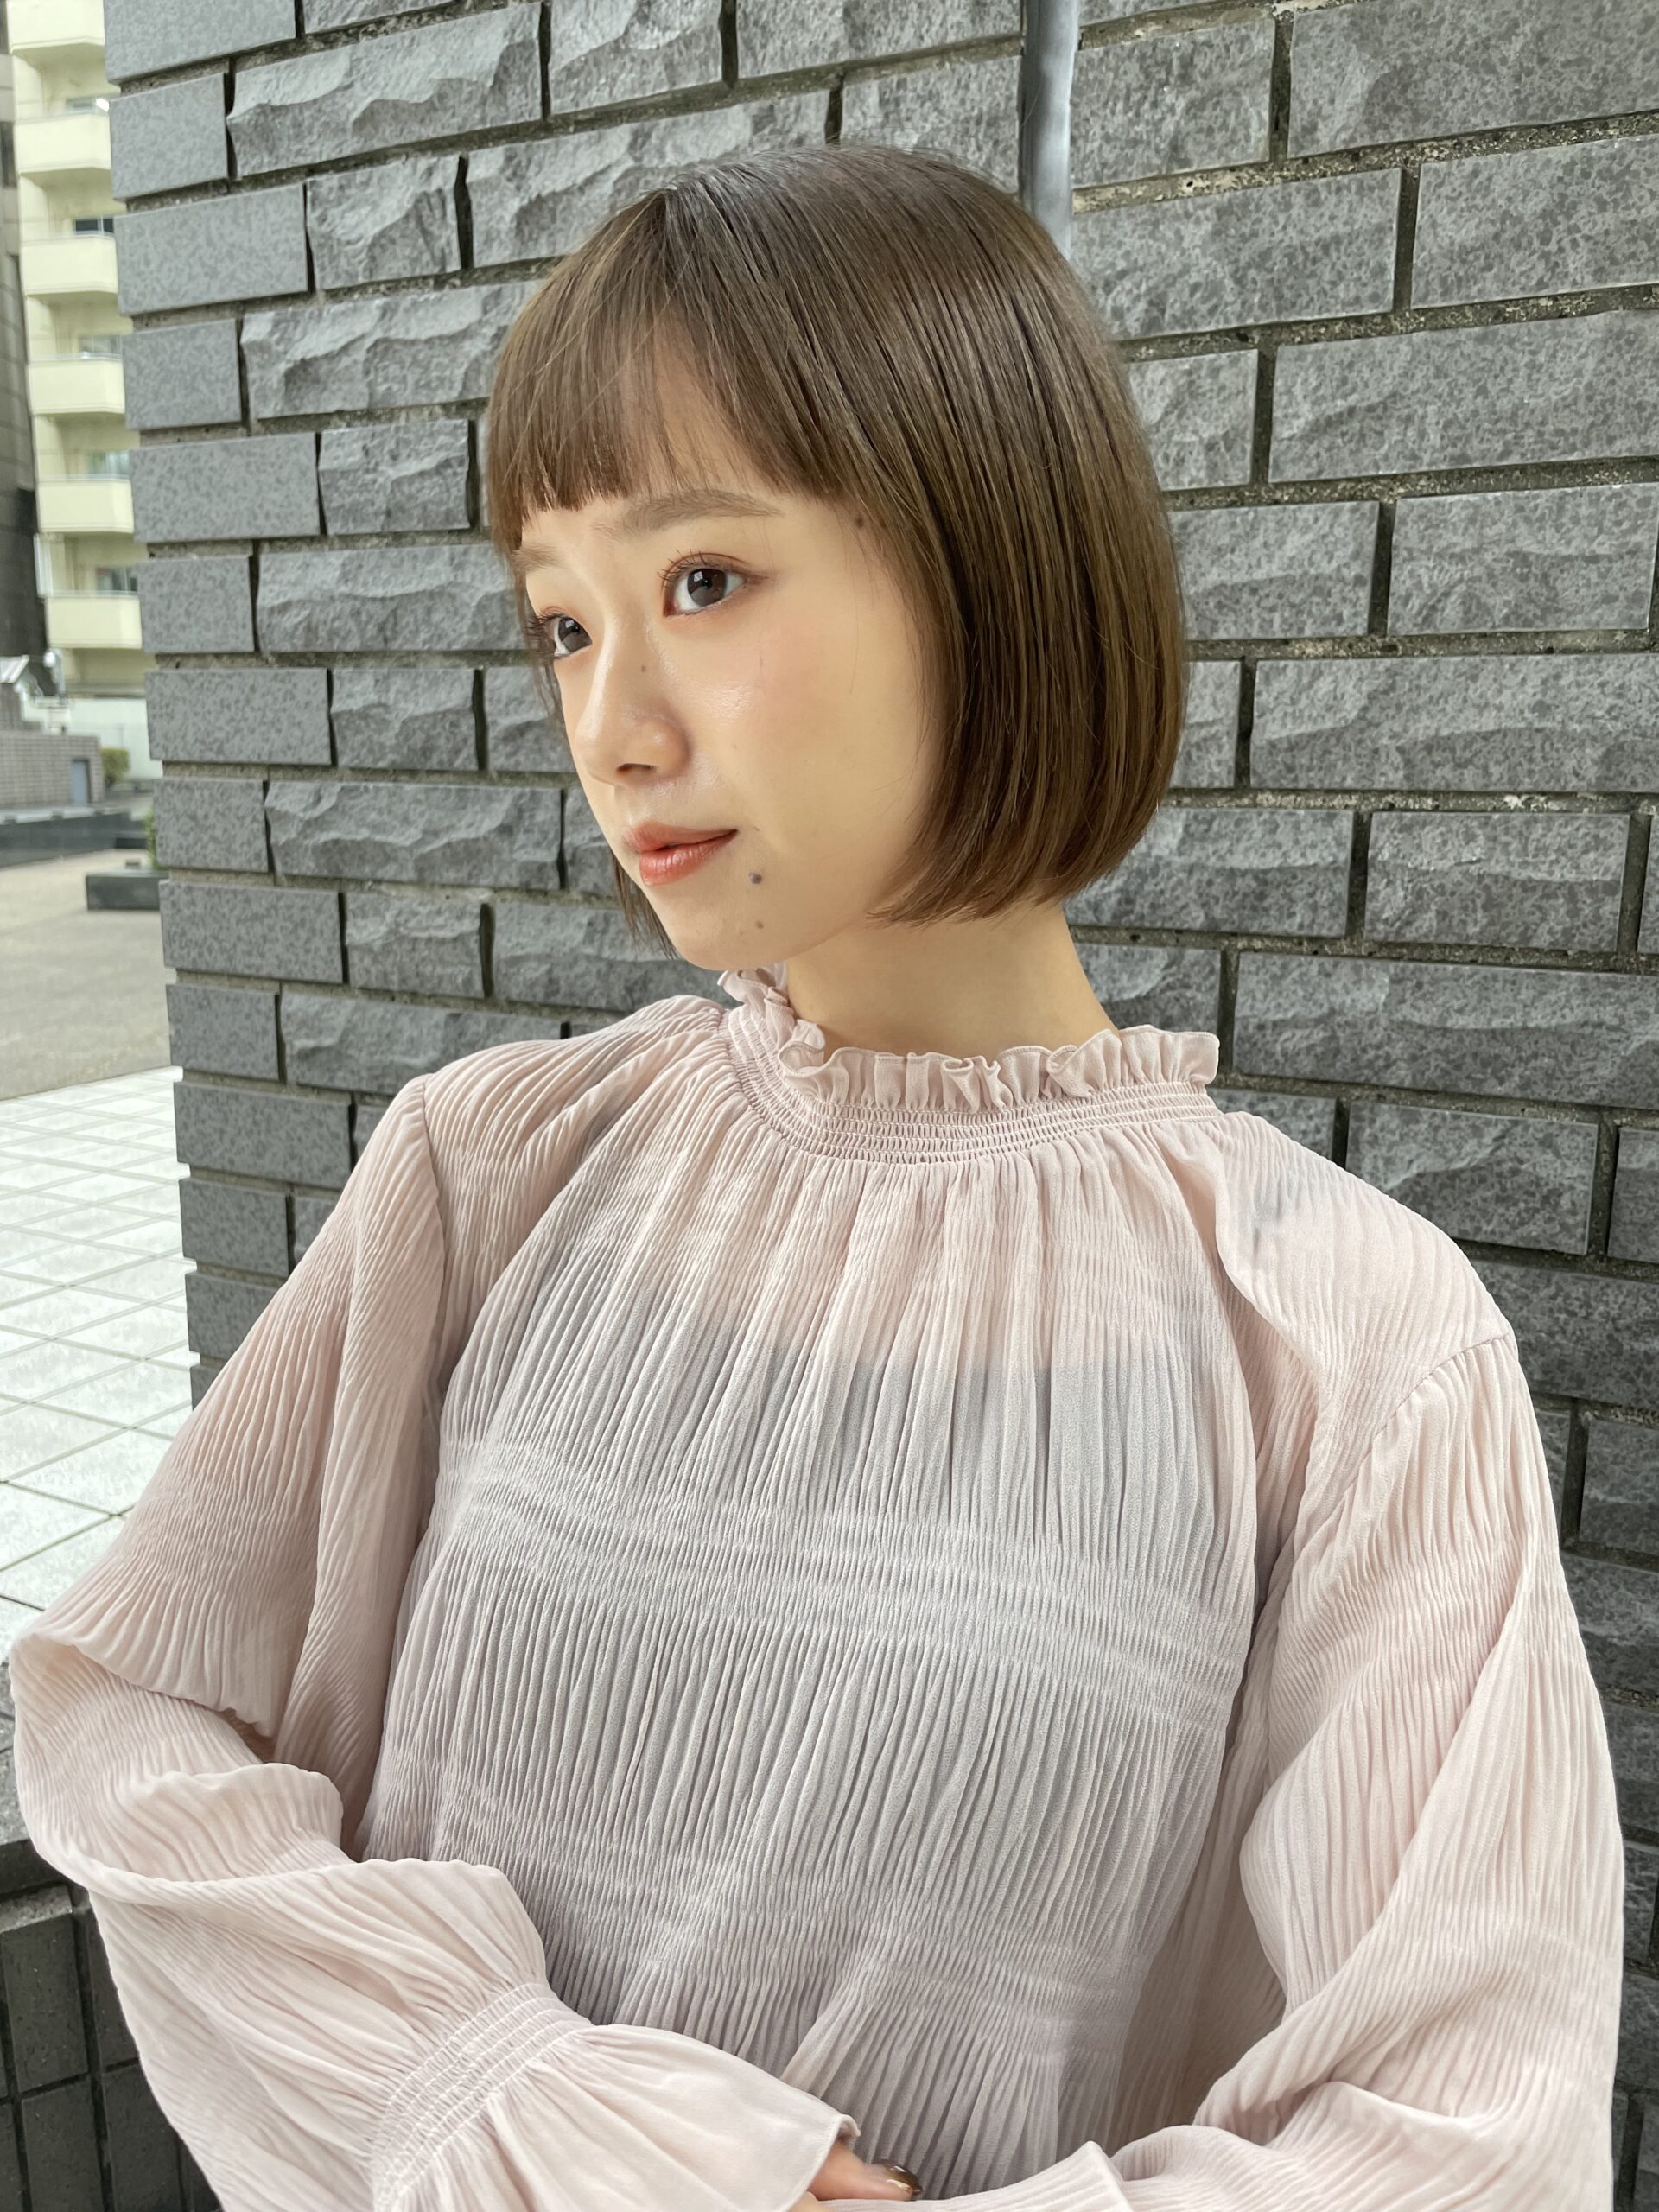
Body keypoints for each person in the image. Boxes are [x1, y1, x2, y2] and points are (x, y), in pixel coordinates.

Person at [8, 140, 1623, 2212]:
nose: (613, 723)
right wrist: (521, 2099)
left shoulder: (1343, 1340)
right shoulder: (497, 1171)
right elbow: (128, 1712)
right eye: (562, 620)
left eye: (701, 580)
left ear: (989, 558)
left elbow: (1472, 2128)